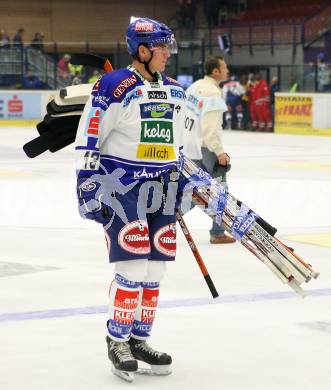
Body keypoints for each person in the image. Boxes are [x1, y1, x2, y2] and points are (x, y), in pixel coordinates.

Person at [74, 17, 185, 381]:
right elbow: (91, 134)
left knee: (155, 269)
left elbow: (178, 143)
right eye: (162, 47)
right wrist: (87, 182)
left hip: (163, 189)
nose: (168, 54)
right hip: (123, 187)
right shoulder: (114, 86)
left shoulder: (173, 89)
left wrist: (182, 179)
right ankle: (117, 339)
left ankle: (139, 338)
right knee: (133, 267)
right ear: (143, 50)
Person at [183, 56, 236, 244]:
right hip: (206, 149)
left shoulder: (194, 86)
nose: (227, 70)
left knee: (194, 191)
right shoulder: (212, 92)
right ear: (215, 71)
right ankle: (218, 232)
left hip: (190, 147)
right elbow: (210, 128)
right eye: (224, 67)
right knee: (220, 190)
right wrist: (219, 151)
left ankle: (162, 223)